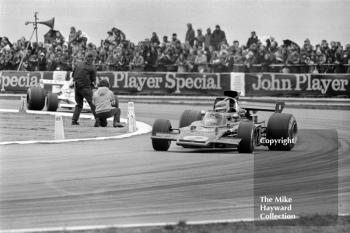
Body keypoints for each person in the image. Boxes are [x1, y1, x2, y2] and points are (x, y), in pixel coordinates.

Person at [71, 52, 97, 125]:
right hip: (85, 87)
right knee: (92, 104)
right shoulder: (92, 67)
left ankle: (74, 120)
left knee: (79, 104)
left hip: (77, 87)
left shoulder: (78, 64)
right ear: (92, 59)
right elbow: (94, 80)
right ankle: (98, 120)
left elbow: (73, 75)